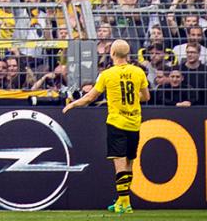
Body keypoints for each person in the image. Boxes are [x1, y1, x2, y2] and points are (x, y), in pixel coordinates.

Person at [63, 39, 150, 215]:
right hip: (134, 122)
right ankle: (122, 199)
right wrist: (131, 99)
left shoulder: (107, 75)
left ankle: (124, 203)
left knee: (119, 163)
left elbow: (90, 98)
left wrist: (72, 104)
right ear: (128, 54)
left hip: (117, 122)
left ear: (112, 54)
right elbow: (146, 97)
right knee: (129, 163)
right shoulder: (138, 72)